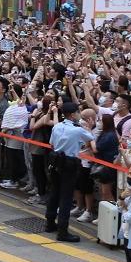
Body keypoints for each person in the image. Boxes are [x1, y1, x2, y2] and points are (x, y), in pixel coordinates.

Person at [47, 101, 94, 242]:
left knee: (54, 193)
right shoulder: (77, 129)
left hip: (55, 161)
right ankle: (62, 231)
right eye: (78, 112)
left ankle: (49, 223)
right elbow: (90, 139)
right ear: (73, 115)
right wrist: (89, 127)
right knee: (66, 197)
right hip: (69, 163)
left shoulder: (57, 126)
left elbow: (52, 144)